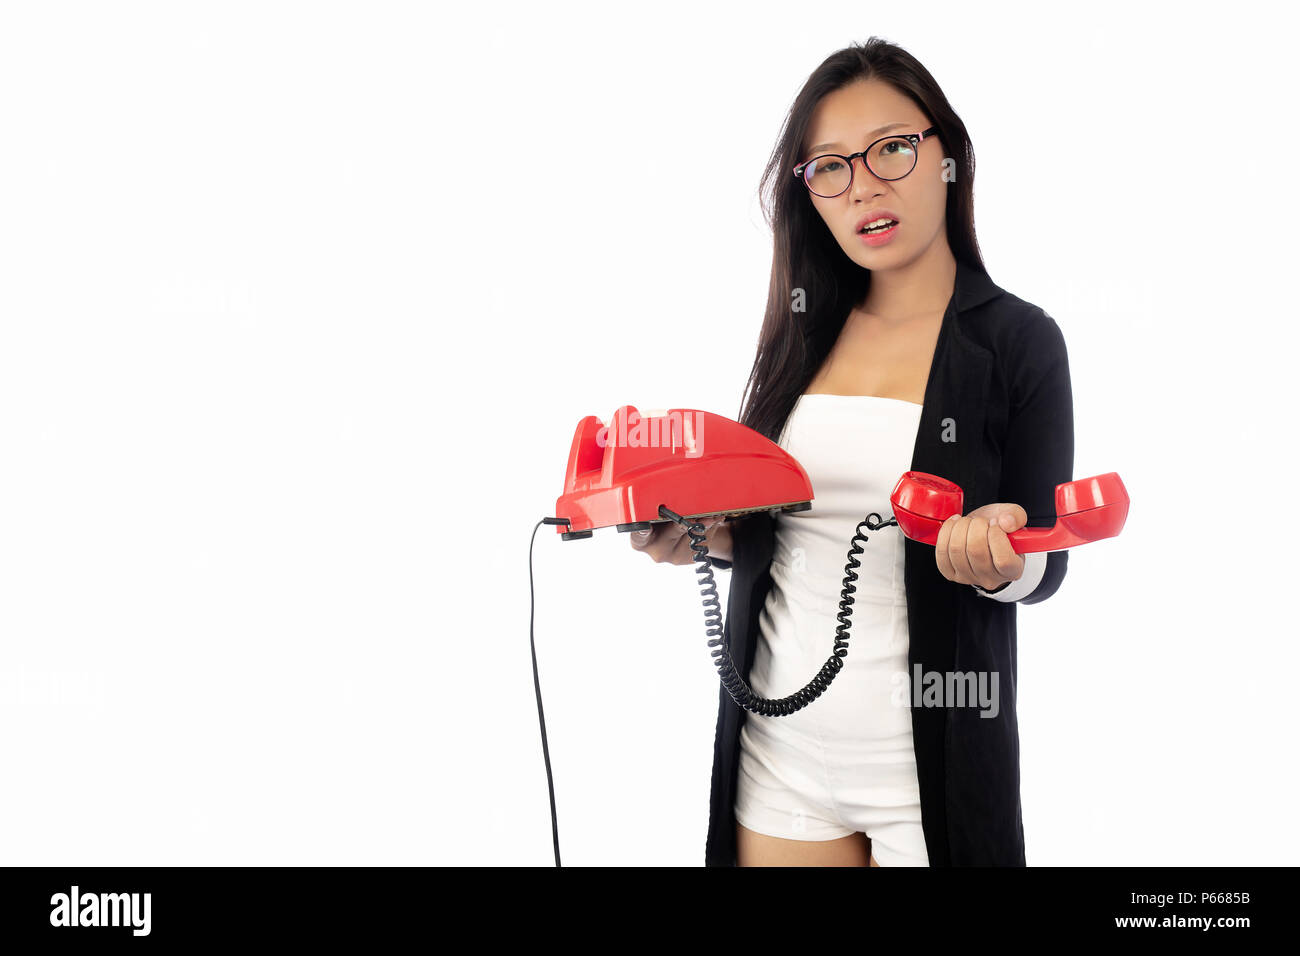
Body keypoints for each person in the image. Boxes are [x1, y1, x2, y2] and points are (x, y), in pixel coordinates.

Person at [631, 37, 1073, 867]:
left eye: (893, 149)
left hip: (928, 768)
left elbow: (1049, 564)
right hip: (779, 758)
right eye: (828, 166)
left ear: (948, 156)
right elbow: (784, 531)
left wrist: (998, 557)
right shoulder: (802, 333)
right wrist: (698, 536)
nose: (863, 184)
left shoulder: (1018, 340)